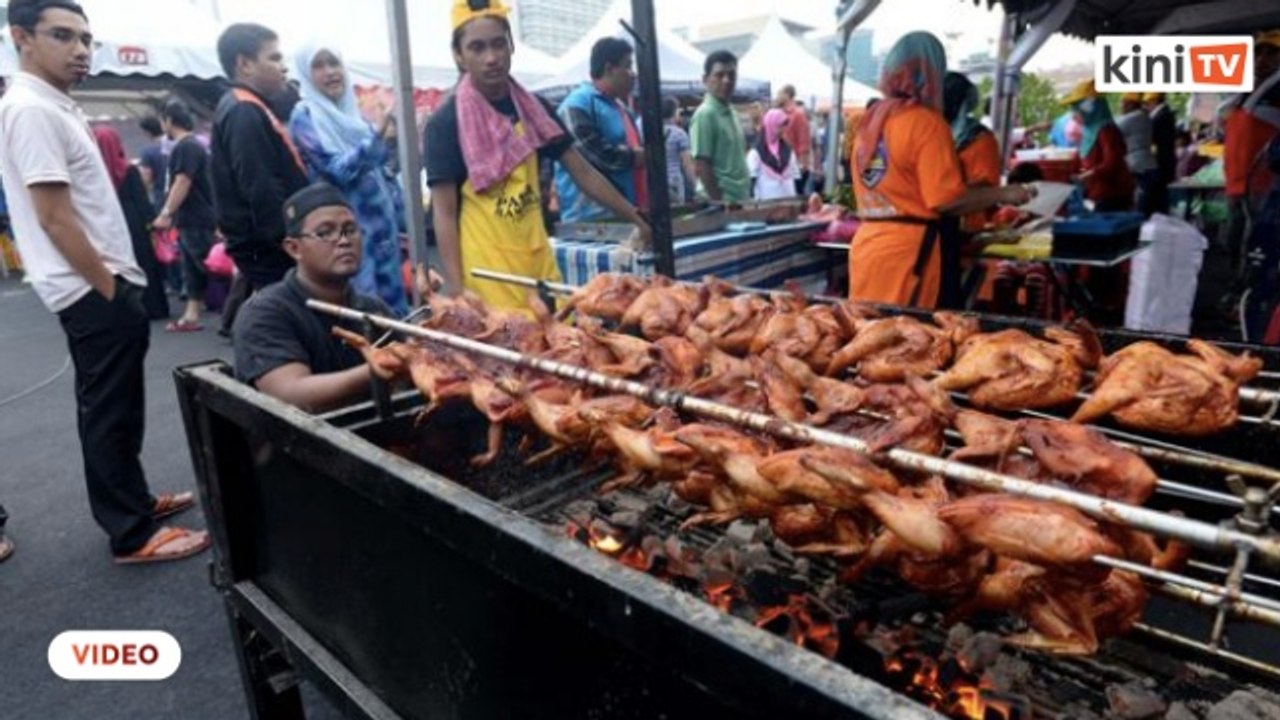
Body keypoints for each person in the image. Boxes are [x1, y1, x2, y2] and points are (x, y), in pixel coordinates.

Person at [0, 0, 209, 564]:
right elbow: (53, 216)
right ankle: (132, 532)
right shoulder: (31, 108)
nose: (81, 50)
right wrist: (110, 286)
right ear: (21, 36)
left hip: (101, 281)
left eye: (87, 39)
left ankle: (133, 501)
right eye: (63, 36)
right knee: (109, 408)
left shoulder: (51, 104)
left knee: (115, 403)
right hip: (92, 287)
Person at [427, 0, 650, 309]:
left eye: (498, 45)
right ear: (459, 55)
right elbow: (444, 212)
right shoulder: (446, 123)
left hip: (537, 260)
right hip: (486, 273)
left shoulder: (535, 112)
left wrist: (634, 217)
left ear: (511, 47)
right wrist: (456, 285)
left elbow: (582, 172)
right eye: (477, 48)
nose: (491, 58)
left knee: (561, 343)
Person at [848, 31, 1031, 309]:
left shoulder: (868, 121)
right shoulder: (926, 122)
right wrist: (1005, 193)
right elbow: (945, 199)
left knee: (867, 336)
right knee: (913, 342)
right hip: (912, 255)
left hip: (868, 246)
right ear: (932, 74)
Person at [234, 183, 401, 412]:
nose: (343, 240)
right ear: (294, 249)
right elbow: (292, 394)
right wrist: (379, 367)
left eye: (350, 229)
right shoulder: (265, 312)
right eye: (325, 232)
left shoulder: (372, 309)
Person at [290, 42, 409, 317]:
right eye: (318, 66)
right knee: (360, 308)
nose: (330, 72)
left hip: (382, 228)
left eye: (334, 63)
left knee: (394, 313)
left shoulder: (352, 115)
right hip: (346, 230)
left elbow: (380, 165)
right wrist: (377, 133)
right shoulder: (305, 116)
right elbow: (337, 171)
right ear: (306, 74)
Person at [210, 22, 309, 333]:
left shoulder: (248, 106)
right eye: (274, 58)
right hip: (270, 247)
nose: (283, 67)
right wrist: (292, 243)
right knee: (290, 324)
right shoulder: (243, 110)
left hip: (268, 244)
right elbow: (260, 187)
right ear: (244, 64)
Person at [554, 36, 647, 223]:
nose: (633, 74)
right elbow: (592, 158)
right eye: (627, 66)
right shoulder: (577, 104)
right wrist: (636, 156)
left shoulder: (622, 108)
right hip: (590, 219)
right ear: (609, 69)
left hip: (626, 213)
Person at [91, 125, 171, 321]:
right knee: (144, 265)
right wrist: (152, 222)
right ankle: (154, 307)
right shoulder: (128, 170)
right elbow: (141, 199)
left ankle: (125, 310)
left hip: (107, 222)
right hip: (132, 221)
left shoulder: (92, 172)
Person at [940, 71, 1002, 309]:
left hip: (964, 229)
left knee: (952, 302)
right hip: (934, 230)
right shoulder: (934, 132)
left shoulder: (979, 139)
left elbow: (987, 185)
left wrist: (952, 191)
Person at [154, 101, 217, 331]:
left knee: (205, 266)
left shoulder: (186, 147)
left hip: (197, 217)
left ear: (169, 121)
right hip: (197, 216)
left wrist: (166, 213)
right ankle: (191, 316)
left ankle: (241, 311)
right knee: (194, 268)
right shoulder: (195, 145)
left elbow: (182, 181)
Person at [1223, 31, 1280, 285]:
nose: (1262, 58)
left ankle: (1249, 295)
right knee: (1234, 240)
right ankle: (1237, 289)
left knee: (1256, 242)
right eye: (1259, 52)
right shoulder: (1247, 91)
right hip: (1237, 180)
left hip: (1264, 183)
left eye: (1271, 53)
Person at [1060, 80, 1135, 212]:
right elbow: (1081, 157)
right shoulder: (1088, 130)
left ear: (1089, 109)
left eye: (1077, 110)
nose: (1074, 116)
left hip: (1112, 195)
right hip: (1096, 193)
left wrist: (1086, 176)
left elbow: (1112, 163)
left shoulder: (1106, 130)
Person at [691, 50, 751, 203]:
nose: (726, 81)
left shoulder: (732, 111)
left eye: (731, 75)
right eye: (719, 75)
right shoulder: (705, 114)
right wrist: (720, 203)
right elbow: (702, 165)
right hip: (721, 204)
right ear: (705, 79)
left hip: (739, 200)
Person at [1116, 92, 1158, 215]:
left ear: (1130, 104)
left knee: (1140, 203)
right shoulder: (1145, 116)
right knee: (1147, 202)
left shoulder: (1133, 118)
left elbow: (1112, 130)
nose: (1121, 107)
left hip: (1138, 165)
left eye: (1122, 103)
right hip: (1148, 163)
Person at [746, 108, 799, 201]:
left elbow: (795, 177)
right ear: (771, 125)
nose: (783, 129)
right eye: (780, 126)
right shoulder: (756, 153)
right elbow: (750, 181)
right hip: (766, 207)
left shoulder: (788, 150)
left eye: (784, 126)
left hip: (788, 205)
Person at [776, 85, 812, 195]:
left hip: (795, 165)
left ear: (787, 95)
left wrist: (802, 165)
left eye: (780, 93)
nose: (777, 97)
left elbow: (804, 142)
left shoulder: (798, 115)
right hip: (782, 166)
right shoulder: (779, 114)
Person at [1146, 92, 1176, 213]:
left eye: (1147, 103)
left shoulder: (1161, 116)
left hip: (1161, 164)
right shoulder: (1165, 114)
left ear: (1154, 100)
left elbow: (1152, 137)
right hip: (1165, 162)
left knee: (1158, 200)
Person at [662, 96, 695, 206]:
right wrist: (694, 184)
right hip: (674, 181)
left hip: (655, 183)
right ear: (674, 112)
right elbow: (687, 164)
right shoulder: (679, 134)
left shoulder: (647, 130)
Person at [137, 115, 168, 212]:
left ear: (147, 132)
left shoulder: (148, 152)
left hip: (161, 200)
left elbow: (145, 181)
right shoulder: (178, 145)